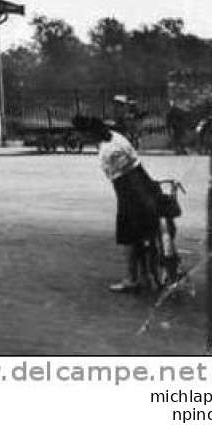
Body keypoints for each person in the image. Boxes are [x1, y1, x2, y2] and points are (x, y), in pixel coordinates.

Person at [75, 115, 161, 292]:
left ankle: (132, 278)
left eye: (80, 134)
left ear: (88, 134)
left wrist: (137, 201)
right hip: (143, 185)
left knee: (129, 237)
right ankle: (143, 277)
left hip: (131, 190)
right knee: (140, 235)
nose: (78, 138)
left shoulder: (109, 150)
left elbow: (127, 177)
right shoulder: (115, 136)